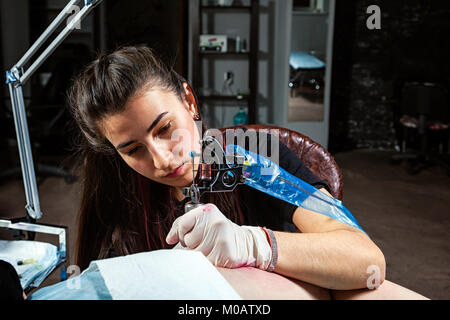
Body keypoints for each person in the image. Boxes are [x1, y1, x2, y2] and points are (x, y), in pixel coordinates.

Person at [67, 45, 427, 299]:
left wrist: (254, 244)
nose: (162, 159)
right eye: (132, 149)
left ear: (189, 101)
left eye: (164, 129)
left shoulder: (256, 159)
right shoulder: (118, 186)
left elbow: (366, 260)